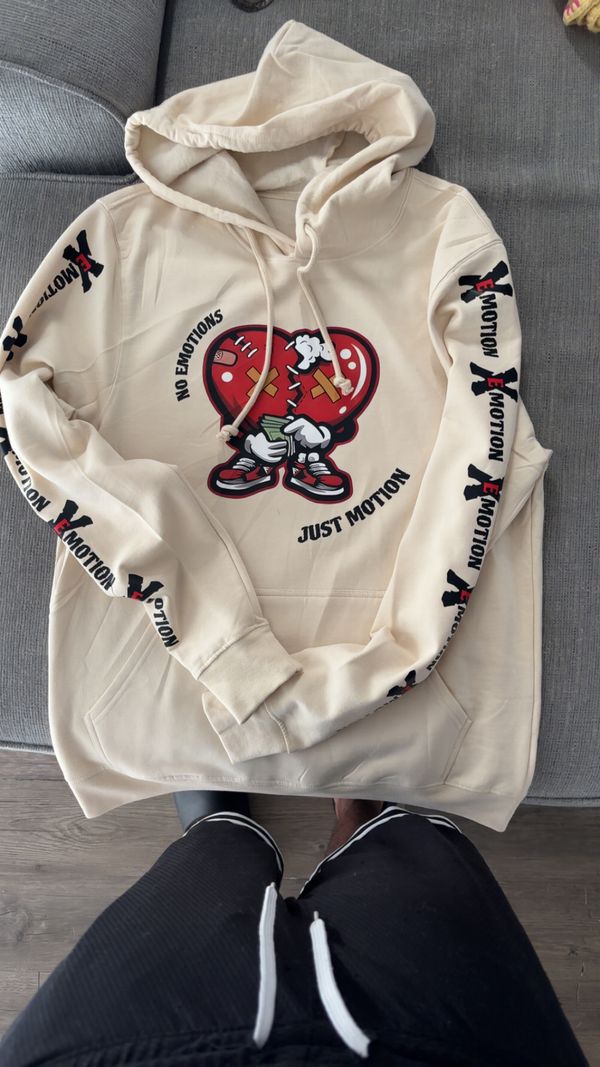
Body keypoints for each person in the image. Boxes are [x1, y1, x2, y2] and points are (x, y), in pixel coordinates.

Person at [0, 793, 589, 1067]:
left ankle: (220, 822)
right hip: (453, 1047)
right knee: (405, 862)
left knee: (206, 868)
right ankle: (361, 814)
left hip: (124, 1046)